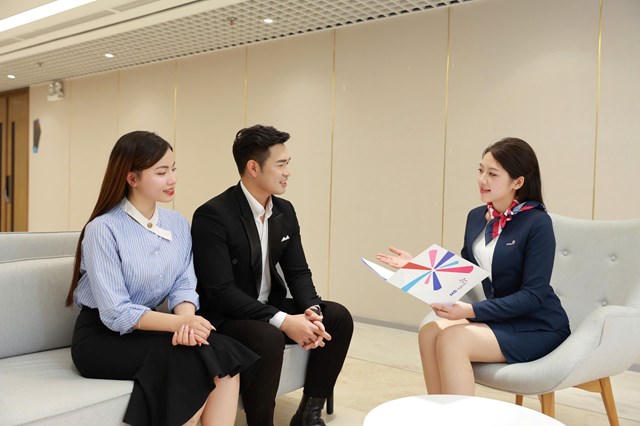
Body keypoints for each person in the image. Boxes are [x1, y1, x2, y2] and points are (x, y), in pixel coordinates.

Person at [65, 131, 259, 426]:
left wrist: (187, 321)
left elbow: (184, 284)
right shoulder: (102, 229)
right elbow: (116, 313)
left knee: (224, 354)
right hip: (102, 339)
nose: (172, 179)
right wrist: (177, 325)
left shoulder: (177, 223)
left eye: (173, 169)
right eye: (161, 172)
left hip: (152, 328)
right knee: (190, 362)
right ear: (132, 178)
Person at [377, 137, 570, 395]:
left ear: (518, 182)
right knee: (429, 332)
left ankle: (461, 415)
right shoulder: (477, 217)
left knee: (453, 340)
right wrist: (417, 267)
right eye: (480, 171)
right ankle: (440, 414)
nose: (482, 180)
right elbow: (464, 271)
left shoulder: (537, 224)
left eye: (493, 174)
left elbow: (533, 296)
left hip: (537, 325)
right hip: (500, 318)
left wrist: (470, 311)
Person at [191, 125, 354, 426]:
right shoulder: (213, 215)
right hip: (228, 315)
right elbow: (220, 291)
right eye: (281, 164)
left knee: (338, 317)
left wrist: (312, 311)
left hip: (269, 306)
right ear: (253, 167)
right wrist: (283, 320)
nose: (288, 172)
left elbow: (298, 271)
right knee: (267, 336)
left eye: (288, 163)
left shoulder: (284, 211)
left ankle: (308, 414)